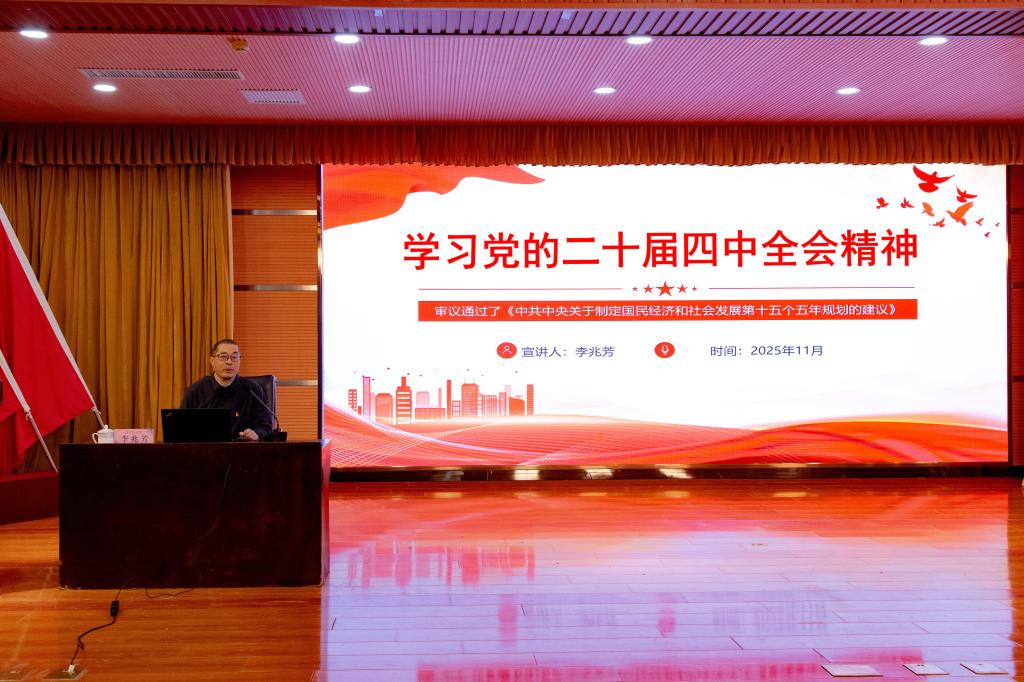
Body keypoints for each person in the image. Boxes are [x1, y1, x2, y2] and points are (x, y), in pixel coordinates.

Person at [180, 338, 273, 441]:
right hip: (206, 449)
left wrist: (256, 433)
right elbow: (181, 428)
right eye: (223, 357)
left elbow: (265, 425)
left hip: (243, 448)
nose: (229, 362)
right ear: (212, 361)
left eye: (234, 357)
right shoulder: (196, 391)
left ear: (239, 361)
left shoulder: (252, 389)